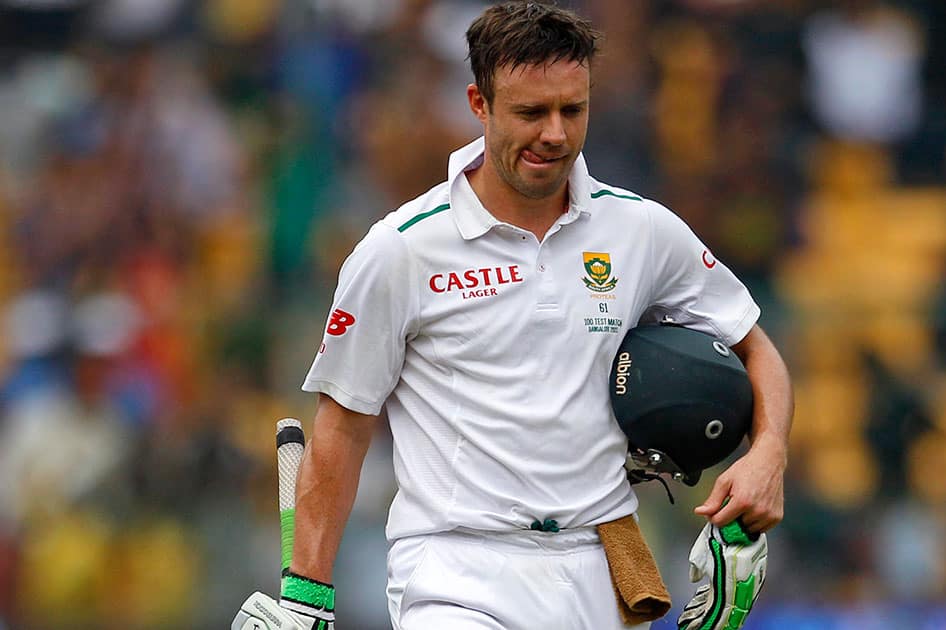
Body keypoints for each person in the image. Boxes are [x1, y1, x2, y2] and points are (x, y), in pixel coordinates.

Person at [283, 2, 793, 629]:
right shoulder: (401, 248)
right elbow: (341, 428)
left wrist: (768, 454)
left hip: (600, 568)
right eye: (530, 112)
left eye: (571, 110)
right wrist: (305, 594)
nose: (554, 133)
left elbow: (756, 349)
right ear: (479, 103)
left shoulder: (641, 230)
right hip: (453, 571)